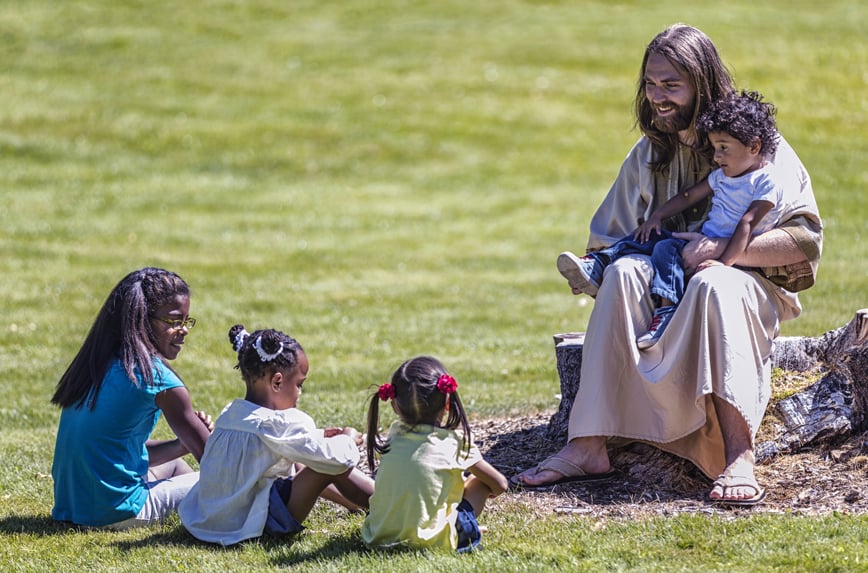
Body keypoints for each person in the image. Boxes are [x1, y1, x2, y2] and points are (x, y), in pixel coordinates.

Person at [513, 24, 822, 506]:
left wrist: (724, 255)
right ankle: (588, 444)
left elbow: (804, 243)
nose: (657, 96)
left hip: (743, 291)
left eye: (671, 85)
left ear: (703, 84)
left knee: (714, 285)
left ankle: (740, 454)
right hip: (667, 285)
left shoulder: (759, 148)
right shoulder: (649, 155)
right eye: (651, 84)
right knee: (621, 272)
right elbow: (608, 237)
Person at [559, 89, 786, 349]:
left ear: (754, 146)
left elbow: (747, 223)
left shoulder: (767, 181)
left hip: (721, 252)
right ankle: (598, 262)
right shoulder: (723, 175)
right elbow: (689, 196)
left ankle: (665, 311)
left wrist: (723, 262)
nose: (716, 157)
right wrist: (657, 216)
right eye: (714, 148)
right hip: (700, 240)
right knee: (650, 236)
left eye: (723, 148)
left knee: (665, 249)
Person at [178, 325, 375, 546]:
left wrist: (318, 435)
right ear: (277, 381)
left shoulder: (231, 415)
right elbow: (337, 459)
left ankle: (354, 504)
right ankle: (389, 505)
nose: (300, 393)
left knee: (305, 461)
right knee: (329, 466)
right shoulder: (278, 424)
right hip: (254, 525)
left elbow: (272, 441)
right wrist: (347, 439)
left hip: (209, 520)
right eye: (299, 385)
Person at [51, 267, 213, 529]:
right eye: (173, 321)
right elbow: (219, 463)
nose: (184, 330)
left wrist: (180, 445)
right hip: (118, 513)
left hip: (73, 509)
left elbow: (116, 452)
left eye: (186, 320)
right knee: (236, 486)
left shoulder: (95, 365)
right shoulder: (158, 380)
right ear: (141, 319)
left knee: (176, 465)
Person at [362, 356, 508, 552]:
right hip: (432, 543)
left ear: (394, 405)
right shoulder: (454, 443)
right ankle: (452, 529)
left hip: (377, 537)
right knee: (479, 481)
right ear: (448, 402)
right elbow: (500, 484)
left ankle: (419, 527)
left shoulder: (394, 435)